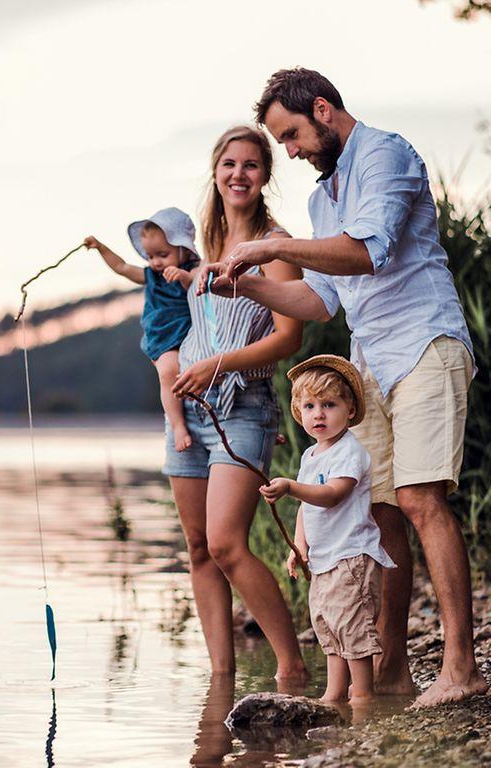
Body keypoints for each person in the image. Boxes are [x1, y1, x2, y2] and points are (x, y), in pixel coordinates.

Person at [203, 68, 487, 706]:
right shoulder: (320, 201)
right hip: (369, 363)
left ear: (324, 110)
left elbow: (370, 250)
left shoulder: (386, 154)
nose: (293, 151)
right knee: (378, 512)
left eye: (293, 135)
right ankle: (389, 673)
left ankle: (462, 666)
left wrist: (268, 247)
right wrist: (244, 283)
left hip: (424, 344)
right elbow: (318, 298)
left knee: (419, 499)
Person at [167, 126, 306, 679]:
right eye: (229, 163)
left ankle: (291, 666)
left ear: (265, 175)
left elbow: (290, 337)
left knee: (227, 544)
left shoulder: (276, 246)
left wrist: (218, 364)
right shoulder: (207, 249)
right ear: (216, 171)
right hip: (189, 411)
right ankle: (220, 681)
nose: (238, 174)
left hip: (244, 407)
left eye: (251, 164)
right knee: (199, 549)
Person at [260, 355, 396, 704]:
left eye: (329, 404)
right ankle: (334, 695)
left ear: (350, 410)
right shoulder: (310, 456)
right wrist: (299, 545)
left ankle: (363, 697)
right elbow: (308, 509)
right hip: (324, 561)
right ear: (299, 412)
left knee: (353, 629)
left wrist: (290, 486)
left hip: (351, 558)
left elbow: (333, 495)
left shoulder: (349, 451)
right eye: (310, 405)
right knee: (330, 627)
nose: (318, 413)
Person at [85, 208, 199, 451]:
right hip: (165, 338)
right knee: (169, 371)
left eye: (163, 254)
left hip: (193, 335)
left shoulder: (193, 270)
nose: (156, 262)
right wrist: (101, 247)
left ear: (184, 249)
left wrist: (183, 277)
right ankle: (178, 425)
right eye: (150, 256)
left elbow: (201, 286)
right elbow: (122, 267)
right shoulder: (151, 275)